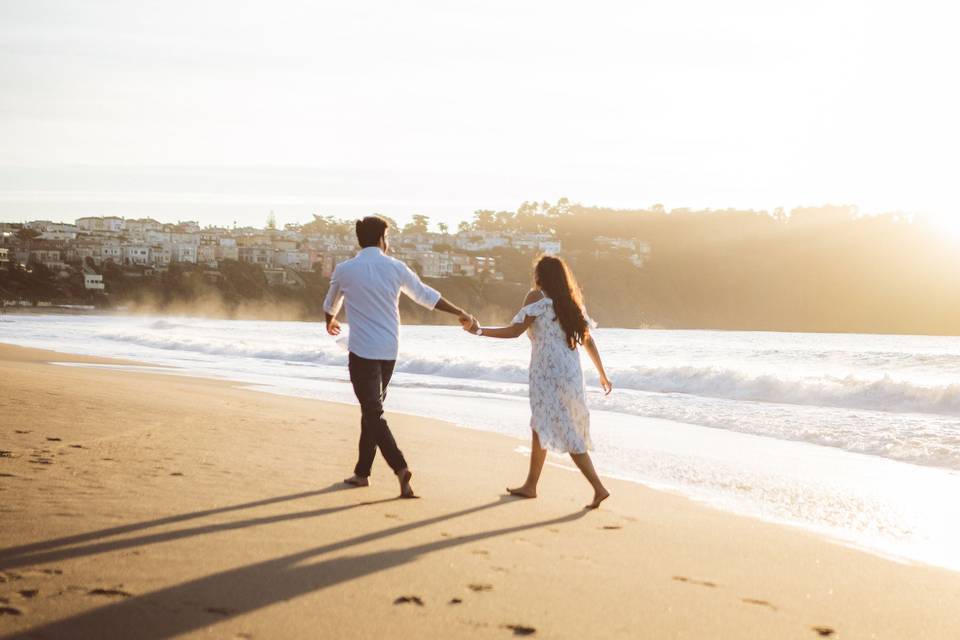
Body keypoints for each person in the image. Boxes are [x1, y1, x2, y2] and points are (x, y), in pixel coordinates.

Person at [323, 215, 473, 498]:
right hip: (389, 351)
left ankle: (400, 467)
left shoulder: (346, 269)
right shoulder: (395, 267)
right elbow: (425, 295)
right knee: (372, 411)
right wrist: (459, 312)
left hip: (362, 351)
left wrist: (329, 320)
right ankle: (362, 473)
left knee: (372, 412)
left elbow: (331, 302)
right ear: (381, 239)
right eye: (387, 237)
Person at [464, 255, 613, 508]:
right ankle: (531, 485)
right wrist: (602, 372)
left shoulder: (536, 298)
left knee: (566, 430)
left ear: (540, 275)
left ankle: (598, 487)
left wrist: (478, 331)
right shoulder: (570, 303)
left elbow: (514, 332)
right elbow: (587, 339)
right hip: (571, 373)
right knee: (539, 424)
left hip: (547, 373)